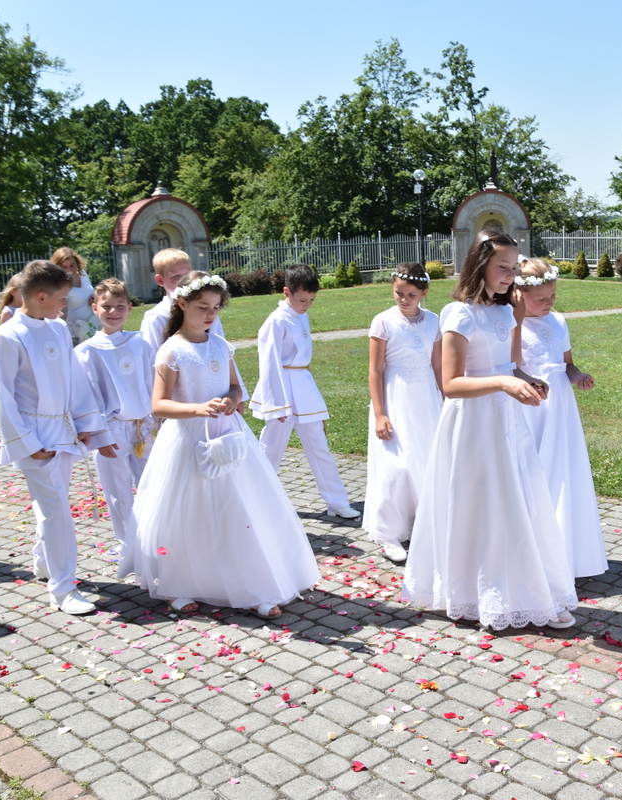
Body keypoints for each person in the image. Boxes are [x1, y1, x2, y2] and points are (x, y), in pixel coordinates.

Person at [401, 230, 578, 630]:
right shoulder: (459, 314)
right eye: (503, 267)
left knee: (520, 502)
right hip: (473, 425)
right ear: (480, 265)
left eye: (513, 267)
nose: (510, 275)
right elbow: (451, 384)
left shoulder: (507, 312)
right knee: (481, 506)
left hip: (508, 421)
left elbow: (510, 365)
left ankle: (532, 592)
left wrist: (527, 379)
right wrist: (503, 383)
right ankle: (475, 592)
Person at [130, 272, 321, 618]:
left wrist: (232, 400)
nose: (210, 314)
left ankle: (251, 585)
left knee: (239, 510)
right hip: (188, 441)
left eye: (216, 308)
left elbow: (236, 388)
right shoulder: (171, 350)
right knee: (190, 515)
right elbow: (159, 404)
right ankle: (178, 583)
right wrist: (198, 408)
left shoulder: (220, 345)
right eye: (202, 307)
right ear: (182, 303)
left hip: (228, 437)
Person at [0, 260, 115, 615]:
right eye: (61, 298)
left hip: (64, 432)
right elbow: (0, 393)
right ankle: (62, 588)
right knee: (57, 511)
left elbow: (74, 379)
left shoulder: (57, 328)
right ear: (41, 296)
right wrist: (26, 442)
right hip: (36, 437)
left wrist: (88, 424)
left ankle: (44, 562)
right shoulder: (8, 335)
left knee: (53, 504)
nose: (66, 304)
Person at [515, 257, 608, 579]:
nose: (549, 302)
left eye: (553, 295)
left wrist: (578, 376)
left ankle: (566, 550)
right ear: (520, 294)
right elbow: (510, 368)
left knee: (562, 471)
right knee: (534, 471)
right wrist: (528, 381)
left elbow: (567, 364)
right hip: (531, 406)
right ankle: (531, 551)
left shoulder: (558, 321)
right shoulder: (513, 325)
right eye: (541, 298)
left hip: (560, 408)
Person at [249, 265, 360, 519]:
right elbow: (269, 363)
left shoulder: (301, 314)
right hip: (282, 389)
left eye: (311, 300)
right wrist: (277, 404)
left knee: (319, 446)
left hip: (302, 385)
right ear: (286, 292)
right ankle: (252, 500)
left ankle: (337, 502)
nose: (306, 305)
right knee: (270, 448)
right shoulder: (275, 321)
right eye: (302, 300)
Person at [75, 279, 156, 578]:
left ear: (129, 308)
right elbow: (87, 396)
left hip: (144, 426)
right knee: (119, 491)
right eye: (106, 306)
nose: (113, 312)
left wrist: (158, 421)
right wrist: (99, 435)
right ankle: (127, 545)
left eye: (120, 306)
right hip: (111, 429)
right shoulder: (86, 351)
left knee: (151, 484)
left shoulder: (141, 344)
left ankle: (153, 539)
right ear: (94, 308)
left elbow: (152, 382)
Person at [363, 262, 443, 562]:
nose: (404, 299)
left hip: (426, 398)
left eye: (411, 294)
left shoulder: (433, 321)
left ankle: (422, 524)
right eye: (399, 293)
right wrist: (380, 413)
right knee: (396, 465)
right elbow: (375, 369)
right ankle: (389, 532)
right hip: (395, 396)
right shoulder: (383, 322)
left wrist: (447, 399)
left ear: (424, 293)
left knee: (426, 460)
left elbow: (438, 365)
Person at [140, 248, 224, 353]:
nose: (184, 280)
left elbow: (221, 347)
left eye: (187, 274)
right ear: (160, 280)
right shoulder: (156, 318)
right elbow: (150, 357)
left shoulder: (209, 312)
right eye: (176, 276)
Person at [51, 248, 100, 346]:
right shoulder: (59, 286)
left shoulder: (83, 274)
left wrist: (95, 299)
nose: (69, 270)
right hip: (74, 335)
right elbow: (61, 313)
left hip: (91, 329)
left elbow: (88, 292)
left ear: (77, 263)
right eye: (64, 267)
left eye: (72, 265)